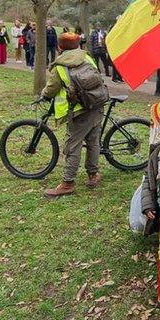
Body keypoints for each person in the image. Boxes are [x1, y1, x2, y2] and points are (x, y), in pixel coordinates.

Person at [40, 32, 109, 197]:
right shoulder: (87, 57)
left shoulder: (60, 66)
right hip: (97, 104)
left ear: (60, 47)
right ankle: (93, 174)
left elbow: (51, 88)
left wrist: (44, 95)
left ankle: (68, 183)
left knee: (73, 146)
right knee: (93, 141)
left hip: (80, 110)